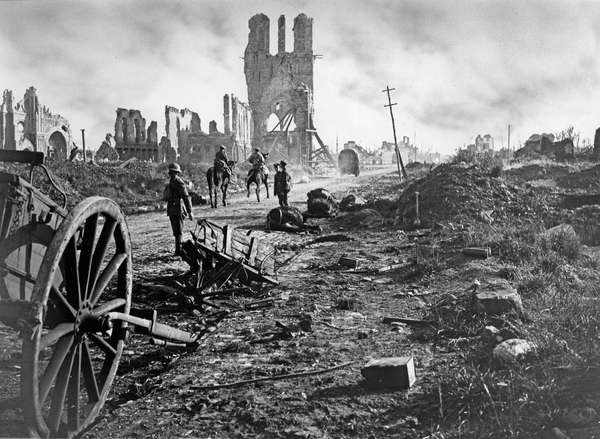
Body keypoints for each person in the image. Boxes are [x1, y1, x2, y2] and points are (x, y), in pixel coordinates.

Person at [164, 163, 193, 256]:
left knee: (178, 230)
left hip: (175, 209)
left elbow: (185, 197)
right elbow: (185, 196)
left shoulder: (175, 182)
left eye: (173, 172)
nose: (172, 174)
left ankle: (178, 250)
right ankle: (178, 250)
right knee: (176, 230)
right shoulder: (176, 181)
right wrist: (189, 211)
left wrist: (189, 211)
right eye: (171, 172)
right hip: (174, 209)